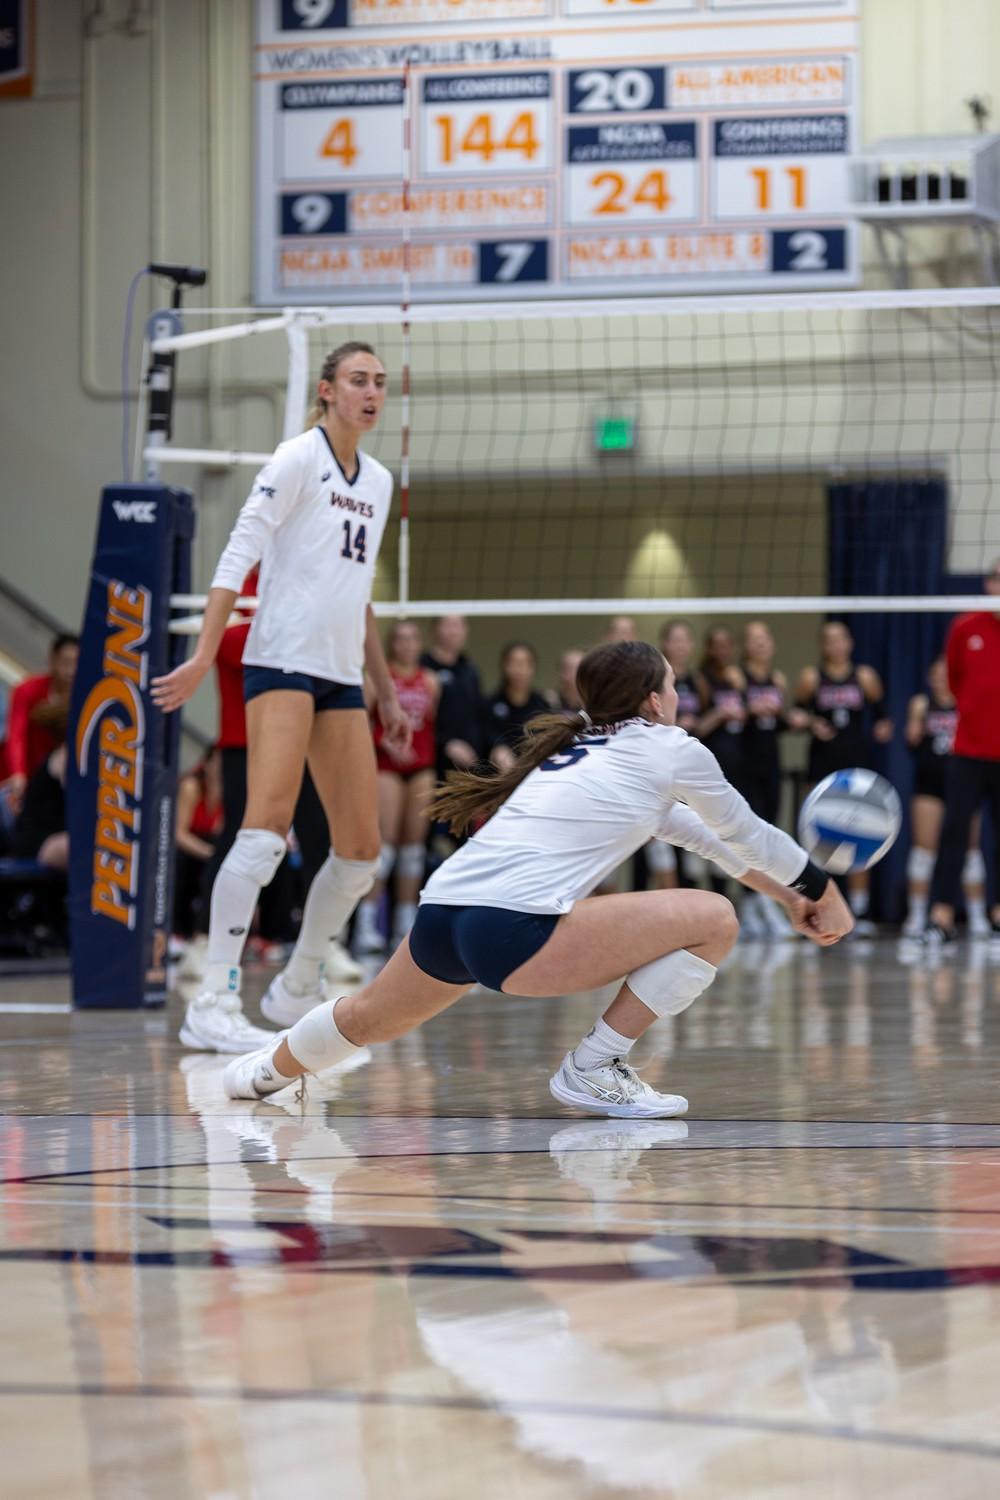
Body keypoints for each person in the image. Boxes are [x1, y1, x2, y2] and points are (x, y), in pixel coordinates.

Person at [223, 641, 853, 1110]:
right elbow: (747, 834)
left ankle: (261, 1074)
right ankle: (594, 1066)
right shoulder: (670, 747)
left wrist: (790, 897)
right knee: (715, 920)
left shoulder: (582, 749)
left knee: (366, 1019)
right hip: (511, 929)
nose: (680, 697)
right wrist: (822, 887)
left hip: (446, 914)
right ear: (655, 700)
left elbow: (712, 844)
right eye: (674, 685)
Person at [152, 340, 411, 1051]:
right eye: (359, 380)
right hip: (279, 664)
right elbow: (236, 557)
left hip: (336, 675)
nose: (372, 393)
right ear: (327, 390)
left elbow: (356, 595)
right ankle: (213, 1002)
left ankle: (297, 983)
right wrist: (205, 655)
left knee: (360, 855)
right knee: (264, 832)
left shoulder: (380, 481)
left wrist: (384, 690)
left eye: (380, 383)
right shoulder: (296, 458)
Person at [795, 621, 892, 935]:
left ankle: (859, 911)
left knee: (860, 837)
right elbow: (796, 714)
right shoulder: (812, 678)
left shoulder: (865, 677)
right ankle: (820, 906)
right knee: (818, 838)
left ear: (849, 643)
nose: (835, 646)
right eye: (829, 641)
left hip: (856, 770)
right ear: (823, 646)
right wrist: (811, 722)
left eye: (841, 640)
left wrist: (883, 728)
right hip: (821, 767)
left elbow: (883, 717)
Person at [924, 561, 1000, 946]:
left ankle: (998, 914)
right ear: (988, 585)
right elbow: (953, 681)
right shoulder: (965, 627)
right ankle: (941, 915)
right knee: (954, 833)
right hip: (969, 753)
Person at [355, 619, 440, 955]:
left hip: (420, 766)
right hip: (386, 765)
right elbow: (361, 721)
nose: (407, 644)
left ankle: (405, 927)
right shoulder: (378, 679)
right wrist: (383, 742)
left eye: (413, 638)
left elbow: (432, 726)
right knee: (384, 848)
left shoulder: (430, 681)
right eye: (401, 638)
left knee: (412, 852)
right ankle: (367, 925)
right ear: (392, 643)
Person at [902, 657, 989, 939]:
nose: (942, 678)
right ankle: (916, 917)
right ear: (930, 678)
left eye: (947, 673)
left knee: (970, 850)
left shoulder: (968, 700)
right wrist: (913, 730)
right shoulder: (921, 704)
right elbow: (911, 740)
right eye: (936, 674)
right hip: (930, 782)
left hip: (963, 783)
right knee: (923, 851)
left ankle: (978, 919)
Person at [739, 620, 803, 937]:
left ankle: (762, 904)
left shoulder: (777, 679)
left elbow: (779, 722)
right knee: (750, 837)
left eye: (765, 638)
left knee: (770, 833)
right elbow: (733, 712)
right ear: (746, 646)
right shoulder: (737, 676)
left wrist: (792, 719)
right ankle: (756, 904)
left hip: (771, 764)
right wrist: (750, 708)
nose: (761, 644)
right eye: (754, 639)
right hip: (745, 764)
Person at [1, 634, 78, 815]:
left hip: (48, 786)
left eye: (77, 664)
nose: (71, 671)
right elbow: (16, 735)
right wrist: (18, 773)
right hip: (15, 774)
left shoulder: (83, 702)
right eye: (66, 663)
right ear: (52, 660)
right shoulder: (28, 690)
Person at [419, 615, 485, 779]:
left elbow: (478, 715)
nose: (454, 631)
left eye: (458, 625)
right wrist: (446, 744)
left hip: (468, 762)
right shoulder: (422, 666)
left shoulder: (470, 669)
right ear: (434, 630)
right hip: (433, 761)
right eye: (448, 625)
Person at [173, 749, 223, 941]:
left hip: (208, 849)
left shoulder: (228, 791)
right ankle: (179, 932)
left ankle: (207, 933)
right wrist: (209, 852)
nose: (220, 768)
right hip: (188, 846)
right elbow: (179, 834)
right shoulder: (191, 786)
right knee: (181, 861)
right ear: (206, 764)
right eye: (216, 763)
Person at [483, 642, 551, 774]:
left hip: (534, 774)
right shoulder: (490, 704)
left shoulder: (542, 705)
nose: (520, 669)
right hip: (498, 777)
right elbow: (488, 739)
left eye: (525, 663)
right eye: (514, 663)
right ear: (505, 666)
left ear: (533, 668)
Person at [549, 648, 586, 714]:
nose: (575, 673)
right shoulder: (549, 701)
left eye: (578, 668)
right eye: (569, 668)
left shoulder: (594, 703)